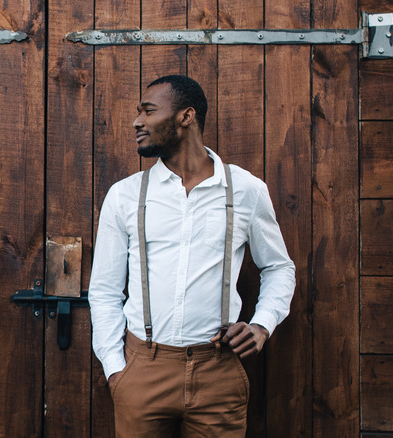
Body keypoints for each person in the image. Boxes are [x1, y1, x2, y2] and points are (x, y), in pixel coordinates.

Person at [89, 75, 295, 437]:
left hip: (218, 371)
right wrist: (115, 369)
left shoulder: (245, 190)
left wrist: (262, 325)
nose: (137, 121)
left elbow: (279, 267)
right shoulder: (125, 195)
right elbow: (104, 290)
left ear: (186, 116)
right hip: (142, 369)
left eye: (148, 111)